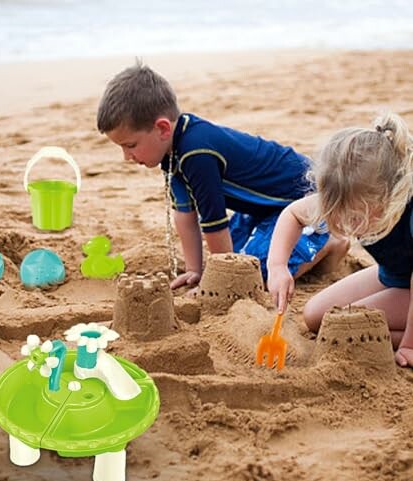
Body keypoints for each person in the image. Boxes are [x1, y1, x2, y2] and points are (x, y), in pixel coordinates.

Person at [97, 62, 347, 290]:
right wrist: (195, 270)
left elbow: (214, 222)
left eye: (130, 145)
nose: (126, 157)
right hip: (263, 209)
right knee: (236, 257)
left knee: (250, 272)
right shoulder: (172, 153)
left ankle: (328, 242)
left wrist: (224, 284)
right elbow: (185, 215)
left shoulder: (196, 151)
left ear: (162, 128)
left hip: (306, 200)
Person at [267, 112, 413, 368]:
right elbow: (293, 214)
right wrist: (277, 267)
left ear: (386, 198)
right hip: (394, 276)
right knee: (316, 317)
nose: (348, 225)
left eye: (355, 217)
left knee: (346, 328)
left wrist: (409, 345)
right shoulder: (349, 192)